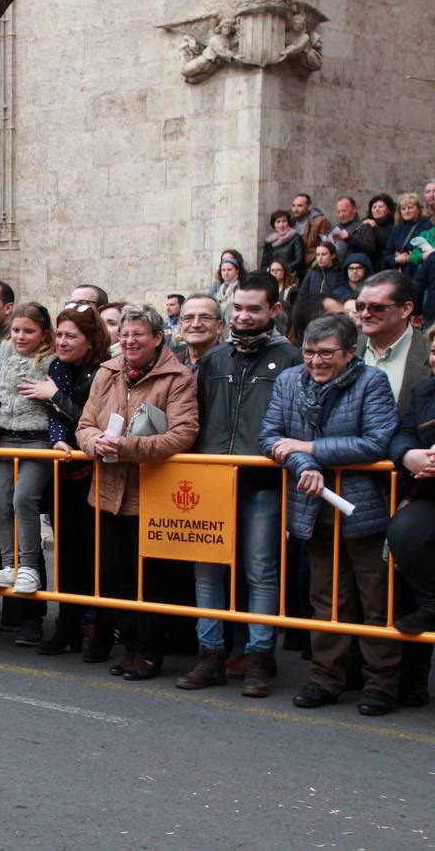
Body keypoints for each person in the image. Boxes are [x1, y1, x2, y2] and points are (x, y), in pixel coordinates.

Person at [261, 314, 400, 716]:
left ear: (350, 353)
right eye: (309, 352)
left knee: (376, 602)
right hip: (312, 507)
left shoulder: (371, 382)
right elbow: (271, 436)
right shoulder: (289, 381)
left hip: (365, 511)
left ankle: (380, 683)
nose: (316, 361)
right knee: (326, 599)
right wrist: (305, 466)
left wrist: (311, 450)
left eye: (326, 353)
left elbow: (378, 442)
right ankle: (326, 677)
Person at [174, 272, 298, 697]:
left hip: (262, 481)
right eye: (238, 308)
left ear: (274, 310)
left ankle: (260, 658)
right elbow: (198, 418)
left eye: (253, 309)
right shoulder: (214, 360)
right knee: (206, 571)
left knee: (260, 570)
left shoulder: (290, 360)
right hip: (210, 481)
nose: (243, 317)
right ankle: (210, 655)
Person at [75, 304, 199, 682]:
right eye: (125, 334)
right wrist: (96, 443)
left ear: (158, 338)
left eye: (138, 335)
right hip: (109, 491)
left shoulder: (177, 377)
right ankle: (130, 647)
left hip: (152, 493)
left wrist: (126, 447)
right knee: (116, 575)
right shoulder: (107, 373)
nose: (129, 341)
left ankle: (149, 652)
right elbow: (84, 425)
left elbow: (182, 434)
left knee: (152, 578)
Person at [25, 302, 109, 657]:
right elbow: (55, 418)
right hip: (65, 473)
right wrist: (58, 430)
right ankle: (67, 627)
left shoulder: (104, 373)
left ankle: (100, 631)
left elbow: (88, 421)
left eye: (70, 336)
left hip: (98, 476)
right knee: (69, 556)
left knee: (99, 557)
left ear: (90, 340)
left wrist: (55, 397)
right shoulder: (58, 367)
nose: (61, 342)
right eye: (58, 334)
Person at [0, 303, 56, 599]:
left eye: (28, 331)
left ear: (43, 333)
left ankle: (29, 566)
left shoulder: (52, 359)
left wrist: (57, 439)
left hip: (39, 439)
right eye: (16, 330)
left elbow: (58, 406)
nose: (20, 336)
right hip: (7, 437)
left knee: (23, 499)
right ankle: (10, 565)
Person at [386, 330, 435, 708]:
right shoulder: (423, 393)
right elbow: (400, 434)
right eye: (433, 352)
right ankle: (412, 679)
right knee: (404, 533)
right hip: (427, 496)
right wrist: (409, 457)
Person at [357, 270, 431, 410]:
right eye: (360, 307)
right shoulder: (346, 348)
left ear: (405, 309)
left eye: (377, 308)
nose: (365, 314)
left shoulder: (429, 352)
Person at [173, 293, 223, 369]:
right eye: (188, 318)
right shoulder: (170, 363)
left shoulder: (232, 364)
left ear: (219, 326)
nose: (196, 324)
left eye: (205, 317)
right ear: (180, 326)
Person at [327, 196, 378, 266]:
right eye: (339, 211)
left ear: (354, 209)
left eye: (344, 211)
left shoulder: (364, 226)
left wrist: (349, 238)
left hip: (355, 268)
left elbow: (369, 249)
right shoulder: (334, 229)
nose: (341, 215)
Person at [291, 192, 333, 265]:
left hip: (312, 265)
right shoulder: (290, 222)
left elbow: (327, 245)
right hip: (295, 264)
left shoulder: (320, 221)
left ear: (309, 206)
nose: (295, 209)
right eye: (293, 206)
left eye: (300, 206)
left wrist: (315, 265)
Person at [365, 194, 397, 264]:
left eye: (381, 207)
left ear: (388, 209)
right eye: (374, 207)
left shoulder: (394, 225)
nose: (377, 209)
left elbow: (388, 242)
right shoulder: (366, 223)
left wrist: (374, 228)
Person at [211, 250, 244, 316]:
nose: (226, 273)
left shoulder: (241, 286)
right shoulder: (220, 287)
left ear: (237, 271)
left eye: (229, 270)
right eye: (223, 270)